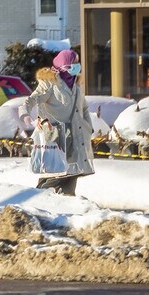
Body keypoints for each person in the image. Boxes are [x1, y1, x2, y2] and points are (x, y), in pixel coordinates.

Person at [25, 49, 95, 195]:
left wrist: (88, 126)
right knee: (54, 175)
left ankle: (67, 201)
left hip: (75, 136)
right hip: (55, 137)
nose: (77, 66)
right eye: (73, 63)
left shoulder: (76, 85)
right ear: (63, 65)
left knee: (72, 174)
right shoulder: (50, 83)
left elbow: (84, 107)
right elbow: (32, 99)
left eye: (77, 62)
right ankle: (38, 198)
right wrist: (26, 114)